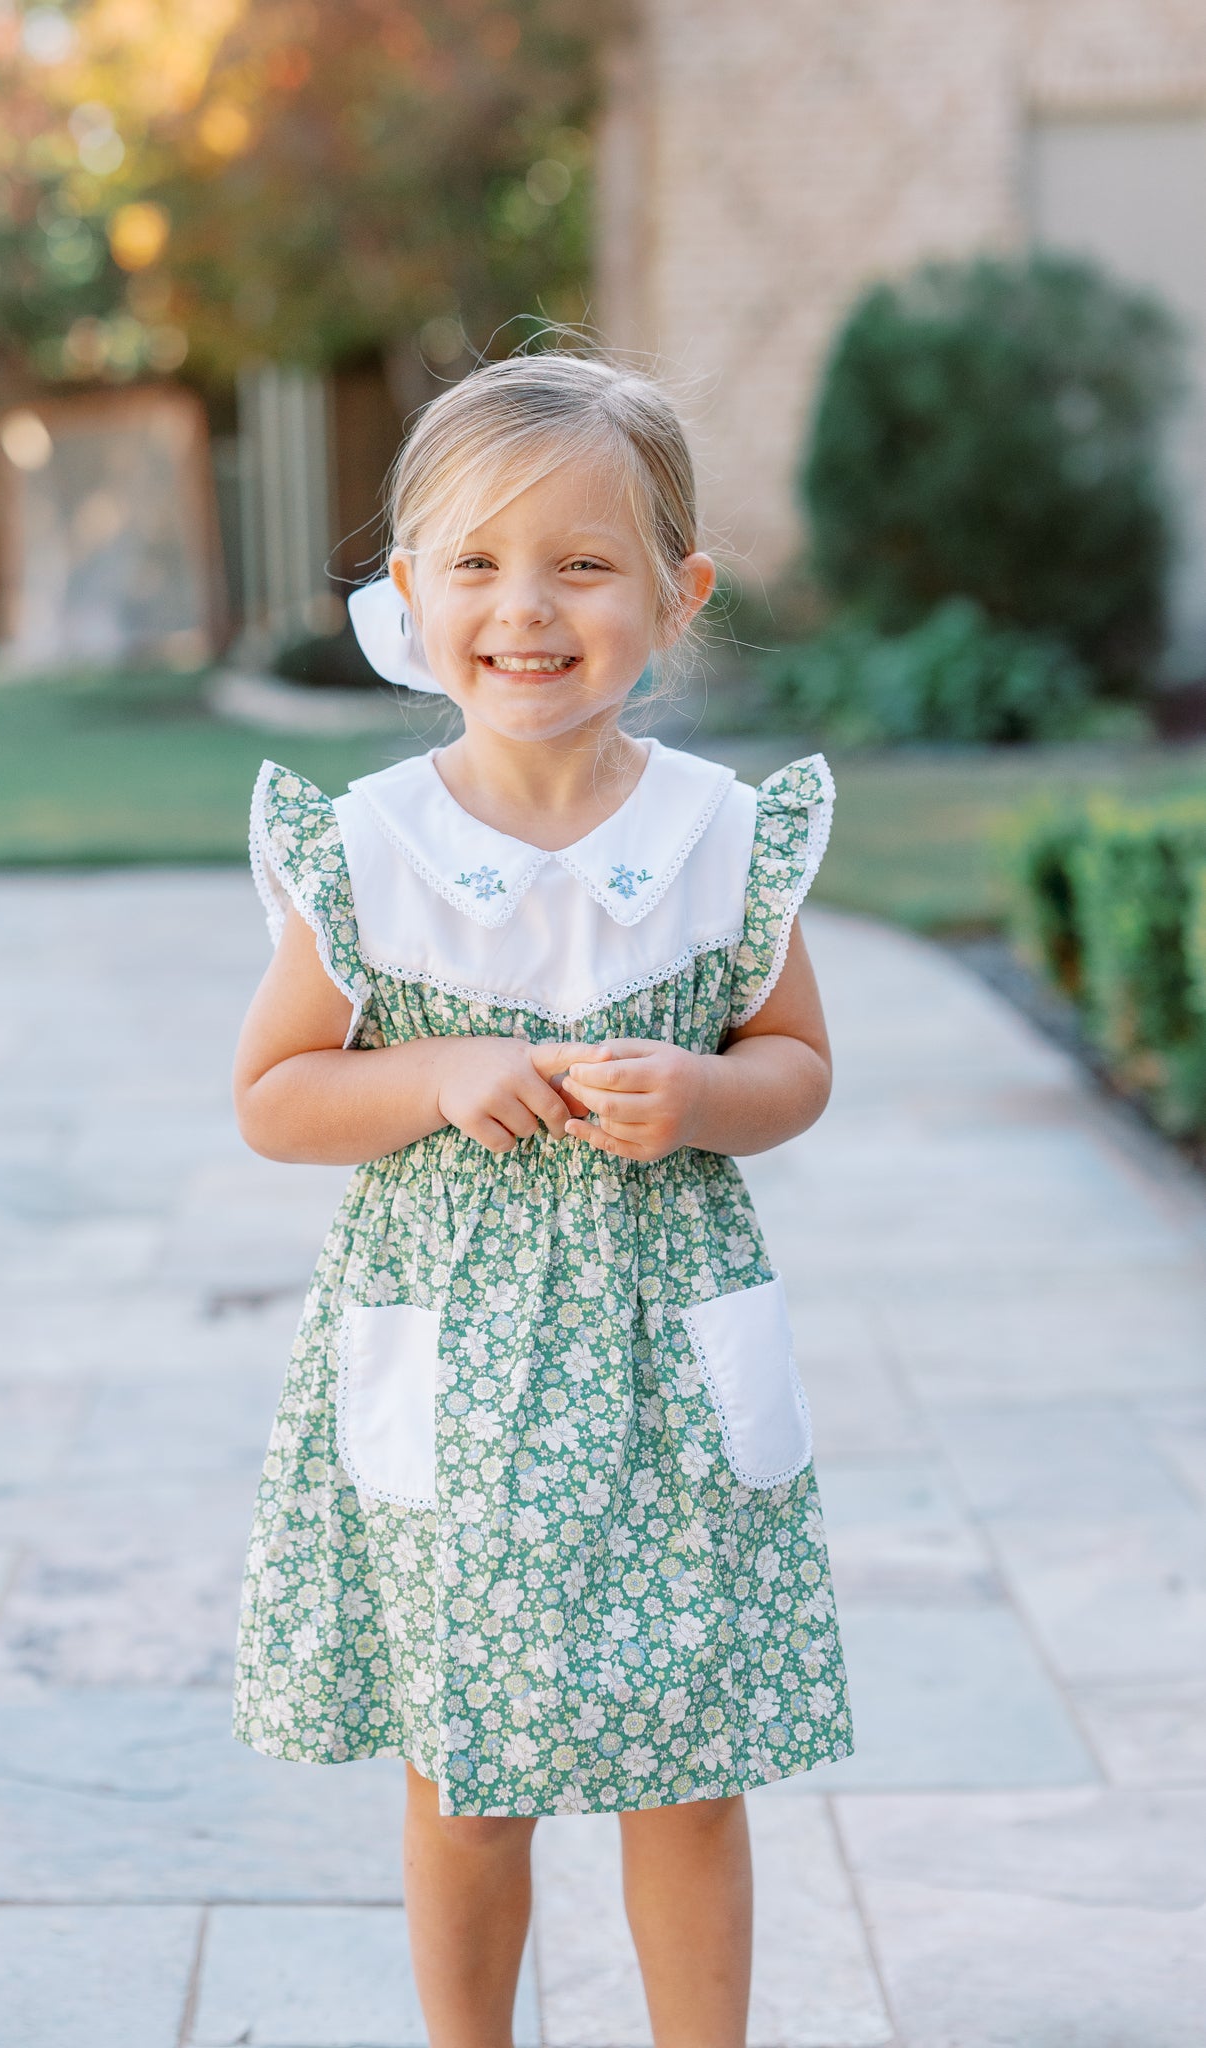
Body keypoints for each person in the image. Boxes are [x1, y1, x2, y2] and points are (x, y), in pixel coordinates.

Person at [231, 350, 853, 2048]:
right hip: (459, 1365)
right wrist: (430, 1075)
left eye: (582, 565)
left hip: (664, 1368)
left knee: (688, 1754)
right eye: (477, 565)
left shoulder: (724, 834)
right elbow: (277, 1096)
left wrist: (709, 1095)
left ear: (675, 596)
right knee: (471, 1765)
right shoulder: (365, 849)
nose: (527, 608)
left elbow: (794, 1061)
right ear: (408, 593)